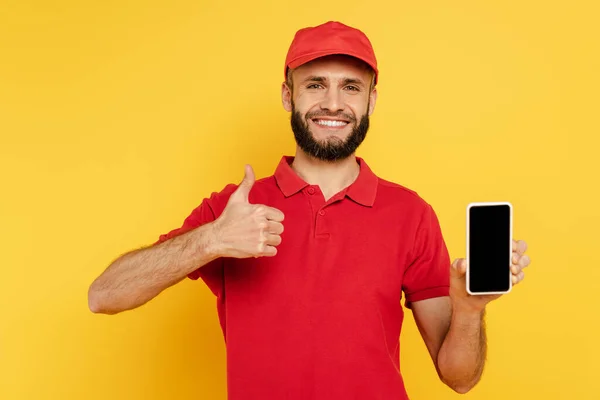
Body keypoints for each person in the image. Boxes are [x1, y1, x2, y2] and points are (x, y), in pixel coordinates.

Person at [88, 21, 531, 399]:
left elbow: (459, 378)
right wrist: (211, 239)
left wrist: (471, 310)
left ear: (371, 101)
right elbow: (104, 296)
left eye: (351, 87)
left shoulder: (410, 213)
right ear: (287, 95)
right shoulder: (234, 208)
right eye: (315, 84)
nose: (334, 103)